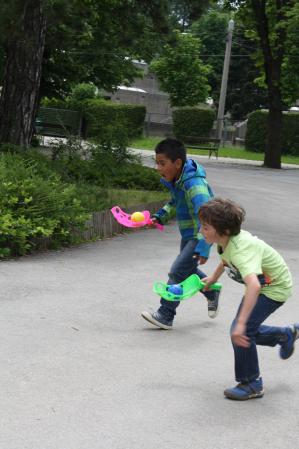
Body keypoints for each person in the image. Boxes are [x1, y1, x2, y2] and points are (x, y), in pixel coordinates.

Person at [198, 197, 298, 400]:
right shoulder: (225, 242)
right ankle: (285, 334)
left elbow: (253, 285)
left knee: (241, 331)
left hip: (274, 288)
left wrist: (241, 324)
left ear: (224, 231)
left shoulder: (241, 250)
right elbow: (226, 259)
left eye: (206, 227)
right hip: (264, 285)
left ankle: (252, 383)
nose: (202, 230)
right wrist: (214, 277)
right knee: (244, 331)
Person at [141, 138, 220, 330]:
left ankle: (166, 314)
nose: (158, 168)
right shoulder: (179, 180)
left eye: (162, 163)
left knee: (177, 271)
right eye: (156, 162)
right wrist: (159, 217)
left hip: (201, 235)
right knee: (186, 270)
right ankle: (211, 291)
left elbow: (209, 216)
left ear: (177, 163)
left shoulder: (194, 184)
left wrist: (203, 246)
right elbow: (175, 202)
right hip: (189, 234)